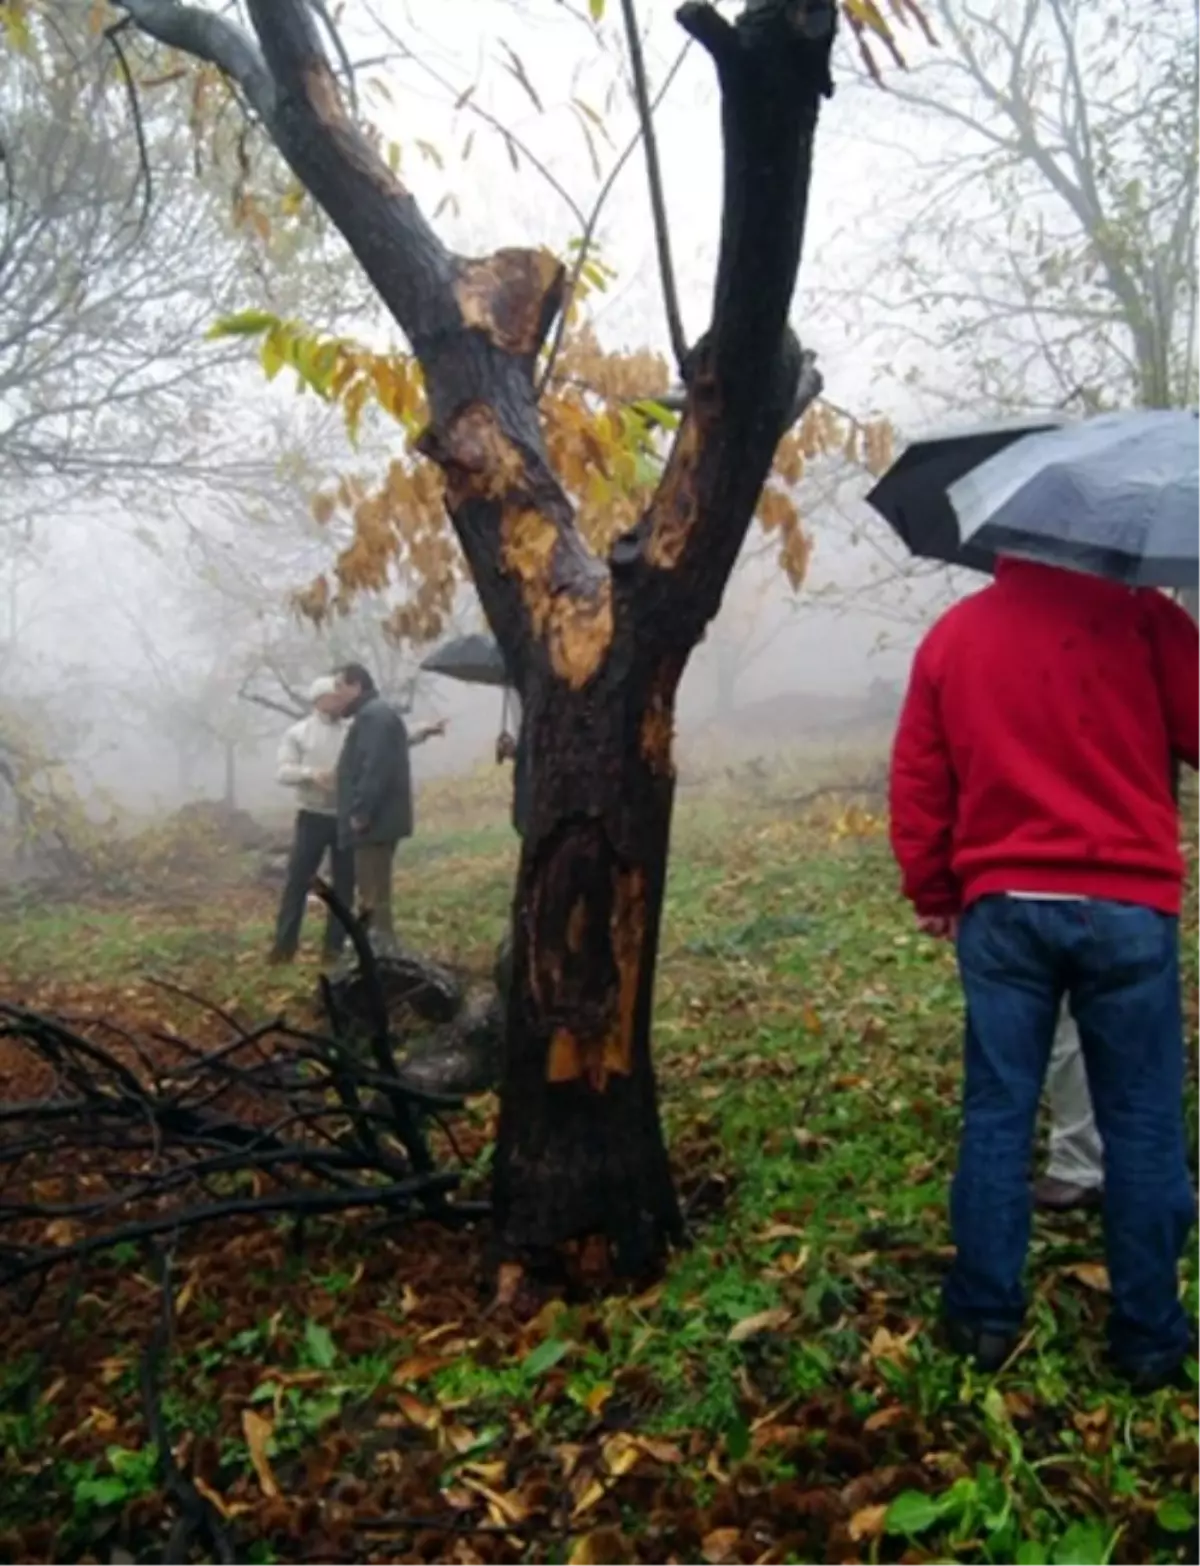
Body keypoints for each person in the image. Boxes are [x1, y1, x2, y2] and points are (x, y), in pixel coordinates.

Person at [889, 556, 1200, 1390]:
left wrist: (932, 884)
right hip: (1128, 910)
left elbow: (920, 776)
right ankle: (1150, 1337)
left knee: (997, 1115)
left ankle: (984, 1318)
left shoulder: (956, 636)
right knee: (1142, 1124)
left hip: (1003, 908)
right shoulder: (1146, 622)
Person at [333, 663, 444, 952]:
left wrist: (361, 812)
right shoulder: (376, 715)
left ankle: (381, 957)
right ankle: (377, 953)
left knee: (373, 895)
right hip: (379, 821)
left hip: (374, 823)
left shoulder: (373, 717)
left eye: (339, 687)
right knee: (374, 892)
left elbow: (375, 769)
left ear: (356, 685)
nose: (337, 695)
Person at [269, 676, 353, 965]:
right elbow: (282, 772)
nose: (340, 701)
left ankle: (334, 950)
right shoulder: (299, 733)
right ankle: (283, 947)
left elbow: (389, 741)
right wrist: (312, 775)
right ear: (319, 700)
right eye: (334, 696)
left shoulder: (352, 730)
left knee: (344, 886)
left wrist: (424, 732)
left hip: (345, 818)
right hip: (311, 817)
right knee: (297, 882)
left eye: (342, 697)